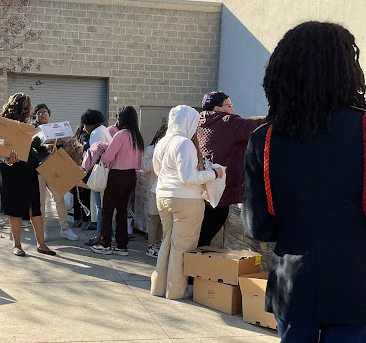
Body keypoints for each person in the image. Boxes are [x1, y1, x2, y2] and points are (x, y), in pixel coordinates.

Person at [242, 21, 366, 342]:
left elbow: (259, 229)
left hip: (293, 285)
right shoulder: (364, 129)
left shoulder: (264, 139)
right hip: (357, 285)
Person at [150, 105, 223, 299]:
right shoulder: (185, 143)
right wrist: (213, 173)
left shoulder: (163, 141)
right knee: (182, 247)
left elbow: (157, 170)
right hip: (186, 200)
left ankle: (159, 287)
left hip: (163, 196)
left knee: (167, 242)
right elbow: (188, 177)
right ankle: (176, 291)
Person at [196, 91, 265, 247]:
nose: (232, 109)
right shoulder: (227, 122)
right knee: (210, 228)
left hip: (201, 186)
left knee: (202, 230)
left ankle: (194, 262)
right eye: (229, 105)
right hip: (221, 187)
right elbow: (256, 126)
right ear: (217, 108)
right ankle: (195, 265)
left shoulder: (199, 122)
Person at [0, 93, 55, 257]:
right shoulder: (3, 124)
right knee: (16, 207)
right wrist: (8, 160)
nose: (30, 110)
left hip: (28, 167)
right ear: (21, 107)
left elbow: (29, 146)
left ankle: (42, 244)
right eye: (28, 106)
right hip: (10, 168)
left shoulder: (25, 125)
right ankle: (17, 245)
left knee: (34, 205)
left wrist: (45, 148)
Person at [90, 106, 144, 256]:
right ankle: (122, 246)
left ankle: (105, 244)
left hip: (117, 175)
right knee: (122, 211)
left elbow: (107, 157)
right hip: (131, 176)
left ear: (121, 118)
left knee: (107, 210)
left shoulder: (121, 134)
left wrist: (102, 148)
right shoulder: (137, 137)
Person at [31, 103, 79, 242]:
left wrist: (68, 143)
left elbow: (59, 146)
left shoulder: (53, 129)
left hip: (53, 167)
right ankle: (42, 229)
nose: (43, 115)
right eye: (40, 112)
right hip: (38, 169)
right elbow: (31, 145)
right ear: (35, 115)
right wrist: (44, 146)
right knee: (41, 202)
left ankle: (64, 229)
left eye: (46, 112)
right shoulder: (33, 129)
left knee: (59, 198)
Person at [80, 109, 112, 246]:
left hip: (98, 174)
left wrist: (85, 173)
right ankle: (106, 234)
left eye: (84, 124)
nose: (83, 127)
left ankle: (99, 236)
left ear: (90, 123)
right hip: (106, 172)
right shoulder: (103, 130)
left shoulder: (96, 133)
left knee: (100, 207)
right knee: (106, 207)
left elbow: (93, 156)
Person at [142, 123, 168, 258]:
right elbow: (145, 166)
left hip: (167, 189)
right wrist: (159, 159)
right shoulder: (151, 149)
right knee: (154, 218)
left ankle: (161, 244)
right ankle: (152, 245)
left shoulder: (172, 150)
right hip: (154, 189)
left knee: (164, 220)